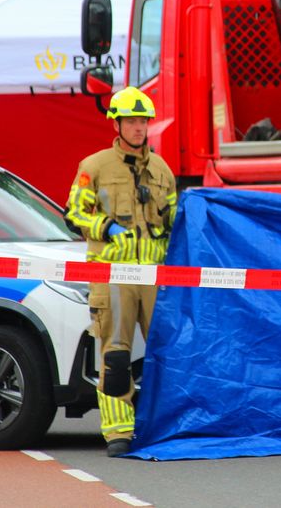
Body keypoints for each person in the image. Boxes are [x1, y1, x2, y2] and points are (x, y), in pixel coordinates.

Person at [65, 86, 178, 457]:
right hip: (114, 274)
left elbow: (173, 217)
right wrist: (106, 227)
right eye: (131, 121)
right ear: (116, 123)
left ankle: (164, 425)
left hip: (154, 276)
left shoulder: (161, 169)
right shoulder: (94, 166)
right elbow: (75, 214)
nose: (138, 128)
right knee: (115, 357)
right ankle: (118, 432)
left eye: (143, 121)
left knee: (166, 354)